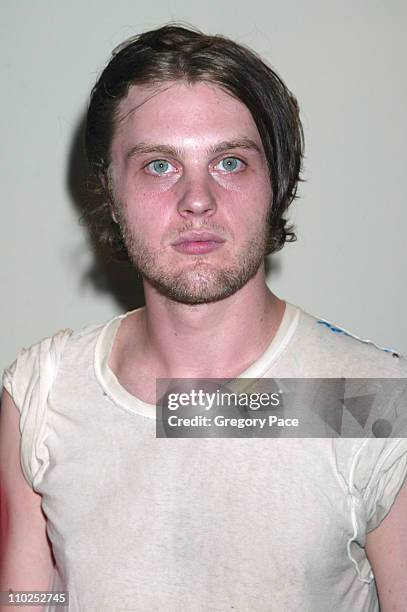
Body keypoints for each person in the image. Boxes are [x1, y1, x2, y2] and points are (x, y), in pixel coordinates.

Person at [1, 23, 406, 612]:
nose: (197, 199)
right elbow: (26, 599)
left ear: (277, 181)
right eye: (159, 165)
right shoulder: (43, 393)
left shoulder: (369, 402)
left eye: (231, 162)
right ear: (110, 193)